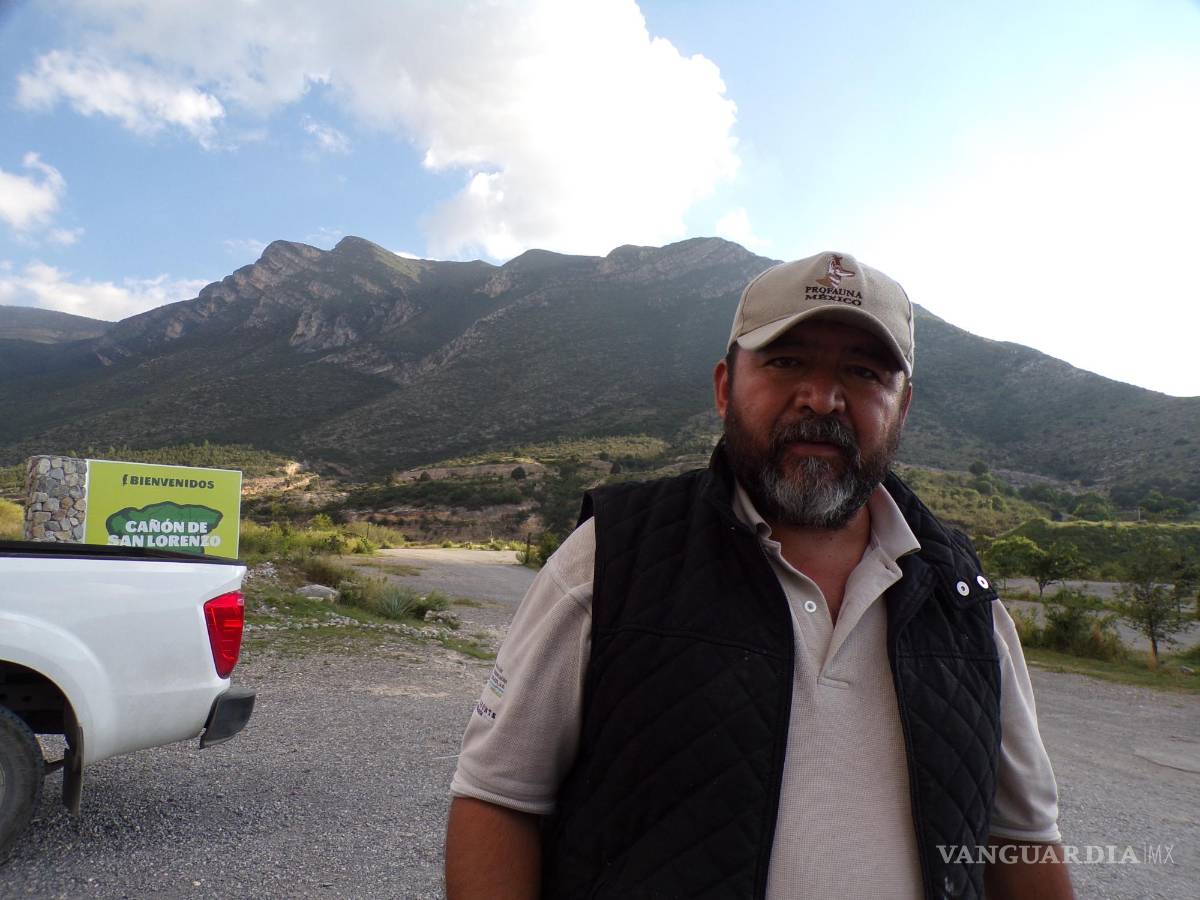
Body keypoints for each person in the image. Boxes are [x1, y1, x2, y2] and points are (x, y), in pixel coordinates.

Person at [444, 251, 1074, 899]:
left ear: (902, 407)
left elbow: (1023, 839)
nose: (823, 397)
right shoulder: (610, 556)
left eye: (862, 372)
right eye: (786, 361)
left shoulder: (964, 597)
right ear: (724, 387)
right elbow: (498, 799)